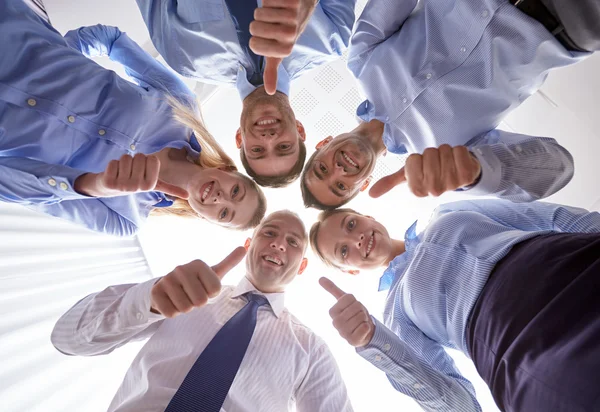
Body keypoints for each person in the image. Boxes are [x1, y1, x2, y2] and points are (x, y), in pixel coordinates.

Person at [0, 0, 266, 236]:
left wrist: (91, 185)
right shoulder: (183, 106)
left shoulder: (124, 220)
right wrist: (57, 56)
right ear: (228, 171)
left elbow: (14, 188)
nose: (221, 199)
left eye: (224, 214)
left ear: (204, 218)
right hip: (13, 29)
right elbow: (112, 40)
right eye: (235, 192)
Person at [301, 0, 600, 209]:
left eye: (322, 169)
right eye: (341, 186)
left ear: (323, 143)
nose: (338, 170)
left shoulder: (361, 60)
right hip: (568, 22)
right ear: (363, 186)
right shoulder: (451, 161)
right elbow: (558, 166)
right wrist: (477, 173)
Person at [310, 200, 600, 411]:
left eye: (350, 224)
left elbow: (550, 216)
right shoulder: (394, 315)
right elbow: (461, 405)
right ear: (350, 270)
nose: (356, 238)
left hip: (569, 262)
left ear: (366, 215)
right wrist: (373, 341)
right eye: (344, 250)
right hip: (521, 346)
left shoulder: (447, 212)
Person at [51, 210, 353, 412]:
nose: (278, 245)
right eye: (269, 233)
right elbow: (66, 338)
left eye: (292, 242)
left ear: (301, 265)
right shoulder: (182, 293)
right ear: (249, 244)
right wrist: (148, 300)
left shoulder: (311, 350)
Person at [133, 0, 356, 187]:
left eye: (257, 150)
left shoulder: (185, 59)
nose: (269, 138)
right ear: (299, 130)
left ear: (240, 137)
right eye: (284, 147)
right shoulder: (332, 40)